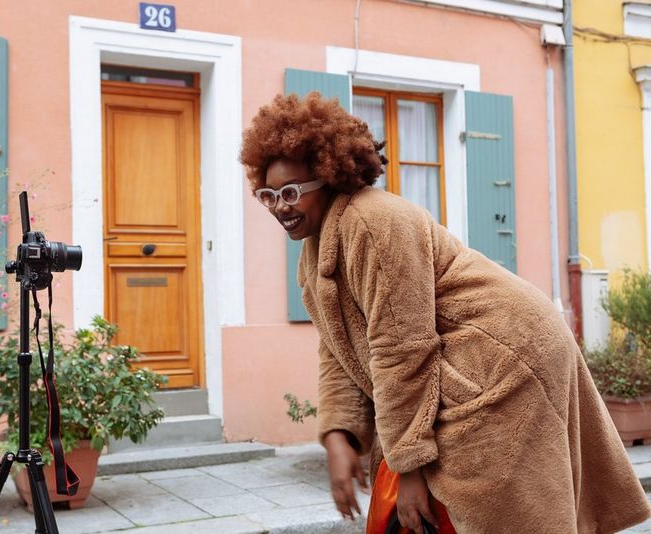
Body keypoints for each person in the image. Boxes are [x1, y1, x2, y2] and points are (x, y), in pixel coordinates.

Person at [239, 92, 651, 533]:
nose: (279, 206)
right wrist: (339, 434)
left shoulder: (372, 222)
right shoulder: (316, 249)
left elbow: (402, 349)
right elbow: (341, 347)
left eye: (290, 193)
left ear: (329, 177)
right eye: (267, 195)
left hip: (502, 356)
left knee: (491, 505)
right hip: (467, 357)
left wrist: (411, 468)